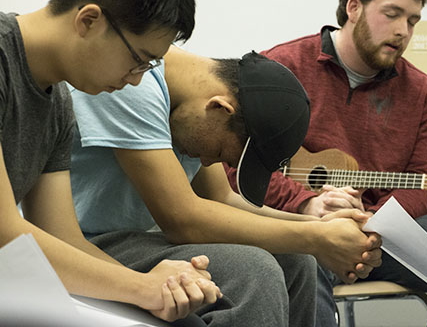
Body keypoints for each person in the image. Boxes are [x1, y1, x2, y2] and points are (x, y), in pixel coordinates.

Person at [225, 0, 427, 327]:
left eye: (412, 21)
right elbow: (237, 165)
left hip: (382, 229)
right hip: (301, 225)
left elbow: (425, 181)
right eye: (392, 14)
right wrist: (308, 204)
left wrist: (375, 219)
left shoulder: (421, 89)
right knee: (301, 266)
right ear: (354, 8)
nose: (403, 31)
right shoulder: (282, 66)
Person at [69, 46, 383, 327]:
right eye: (219, 153)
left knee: (298, 262)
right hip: (86, 242)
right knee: (254, 273)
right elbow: (183, 221)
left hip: (139, 239)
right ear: (221, 108)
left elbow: (221, 198)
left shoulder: (192, 99)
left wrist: (319, 226)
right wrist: (318, 238)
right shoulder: (134, 85)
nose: (206, 163)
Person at [0, 0, 220, 323]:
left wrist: (158, 285)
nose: (135, 79)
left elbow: (64, 236)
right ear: (89, 20)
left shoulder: (58, 102)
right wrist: (141, 287)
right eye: (139, 60)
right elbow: (5, 233)